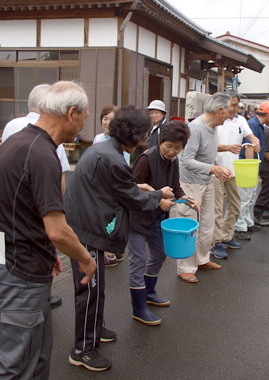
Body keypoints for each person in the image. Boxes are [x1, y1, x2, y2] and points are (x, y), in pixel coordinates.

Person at [0, 81, 98, 378]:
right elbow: (57, 230)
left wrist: (46, 253)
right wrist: (85, 259)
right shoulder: (43, 155)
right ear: (71, 113)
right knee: (13, 365)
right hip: (19, 275)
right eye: (84, 118)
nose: (83, 126)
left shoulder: (17, 141)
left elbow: (16, 208)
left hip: (9, 262)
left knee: (33, 358)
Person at [64, 105, 173, 369]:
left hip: (85, 224)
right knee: (90, 291)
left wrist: (139, 187)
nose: (145, 140)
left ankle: (95, 329)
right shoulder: (112, 158)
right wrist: (158, 197)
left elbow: (120, 187)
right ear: (132, 134)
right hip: (86, 231)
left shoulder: (105, 151)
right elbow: (133, 199)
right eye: (143, 135)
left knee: (95, 289)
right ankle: (83, 350)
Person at [1, 84, 70, 309]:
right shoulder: (50, 134)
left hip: (9, 203)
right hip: (39, 204)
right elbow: (59, 177)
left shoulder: (12, 126)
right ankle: (41, 295)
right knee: (40, 248)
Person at [128, 121, 197, 324]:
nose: (172, 151)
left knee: (159, 253)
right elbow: (132, 191)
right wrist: (159, 201)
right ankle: (138, 308)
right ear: (160, 140)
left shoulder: (174, 161)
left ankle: (149, 292)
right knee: (138, 261)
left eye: (177, 148)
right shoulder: (146, 159)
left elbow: (175, 186)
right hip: (137, 218)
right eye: (169, 146)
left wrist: (187, 198)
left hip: (157, 218)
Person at [176, 92, 232, 283]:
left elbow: (209, 151)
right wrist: (214, 168)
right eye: (228, 111)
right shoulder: (195, 128)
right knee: (190, 226)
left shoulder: (212, 127)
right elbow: (185, 161)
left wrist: (218, 165)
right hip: (191, 183)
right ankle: (185, 267)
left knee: (207, 225)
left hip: (206, 181)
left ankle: (201, 259)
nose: (229, 115)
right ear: (219, 110)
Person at [211, 90, 260, 258]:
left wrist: (255, 141)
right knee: (217, 209)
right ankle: (215, 242)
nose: (234, 109)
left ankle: (225, 236)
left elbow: (251, 136)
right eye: (232, 105)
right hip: (216, 170)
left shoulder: (241, 120)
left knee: (235, 205)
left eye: (236, 105)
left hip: (233, 170)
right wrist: (227, 147)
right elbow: (209, 146)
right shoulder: (217, 120)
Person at [92, 105, 129, 267]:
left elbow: (123, 165)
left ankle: (110, 252)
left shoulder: (121, 141)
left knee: (112, 218)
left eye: (111, 119)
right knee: (105, 218)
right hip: (100, 185)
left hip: (114, 185)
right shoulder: (98, 138)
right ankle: (113, 250)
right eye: (104, 118)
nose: (107, 122)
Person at [234, 102, 269, 240]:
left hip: (251, 168)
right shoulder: (253, 124)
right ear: (268, 114)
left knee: (249, 197)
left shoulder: (258, 124)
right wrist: (250, 169)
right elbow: (249, 147)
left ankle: (246, 222)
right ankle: (239, 226)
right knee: (244, 198)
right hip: (247, 168)